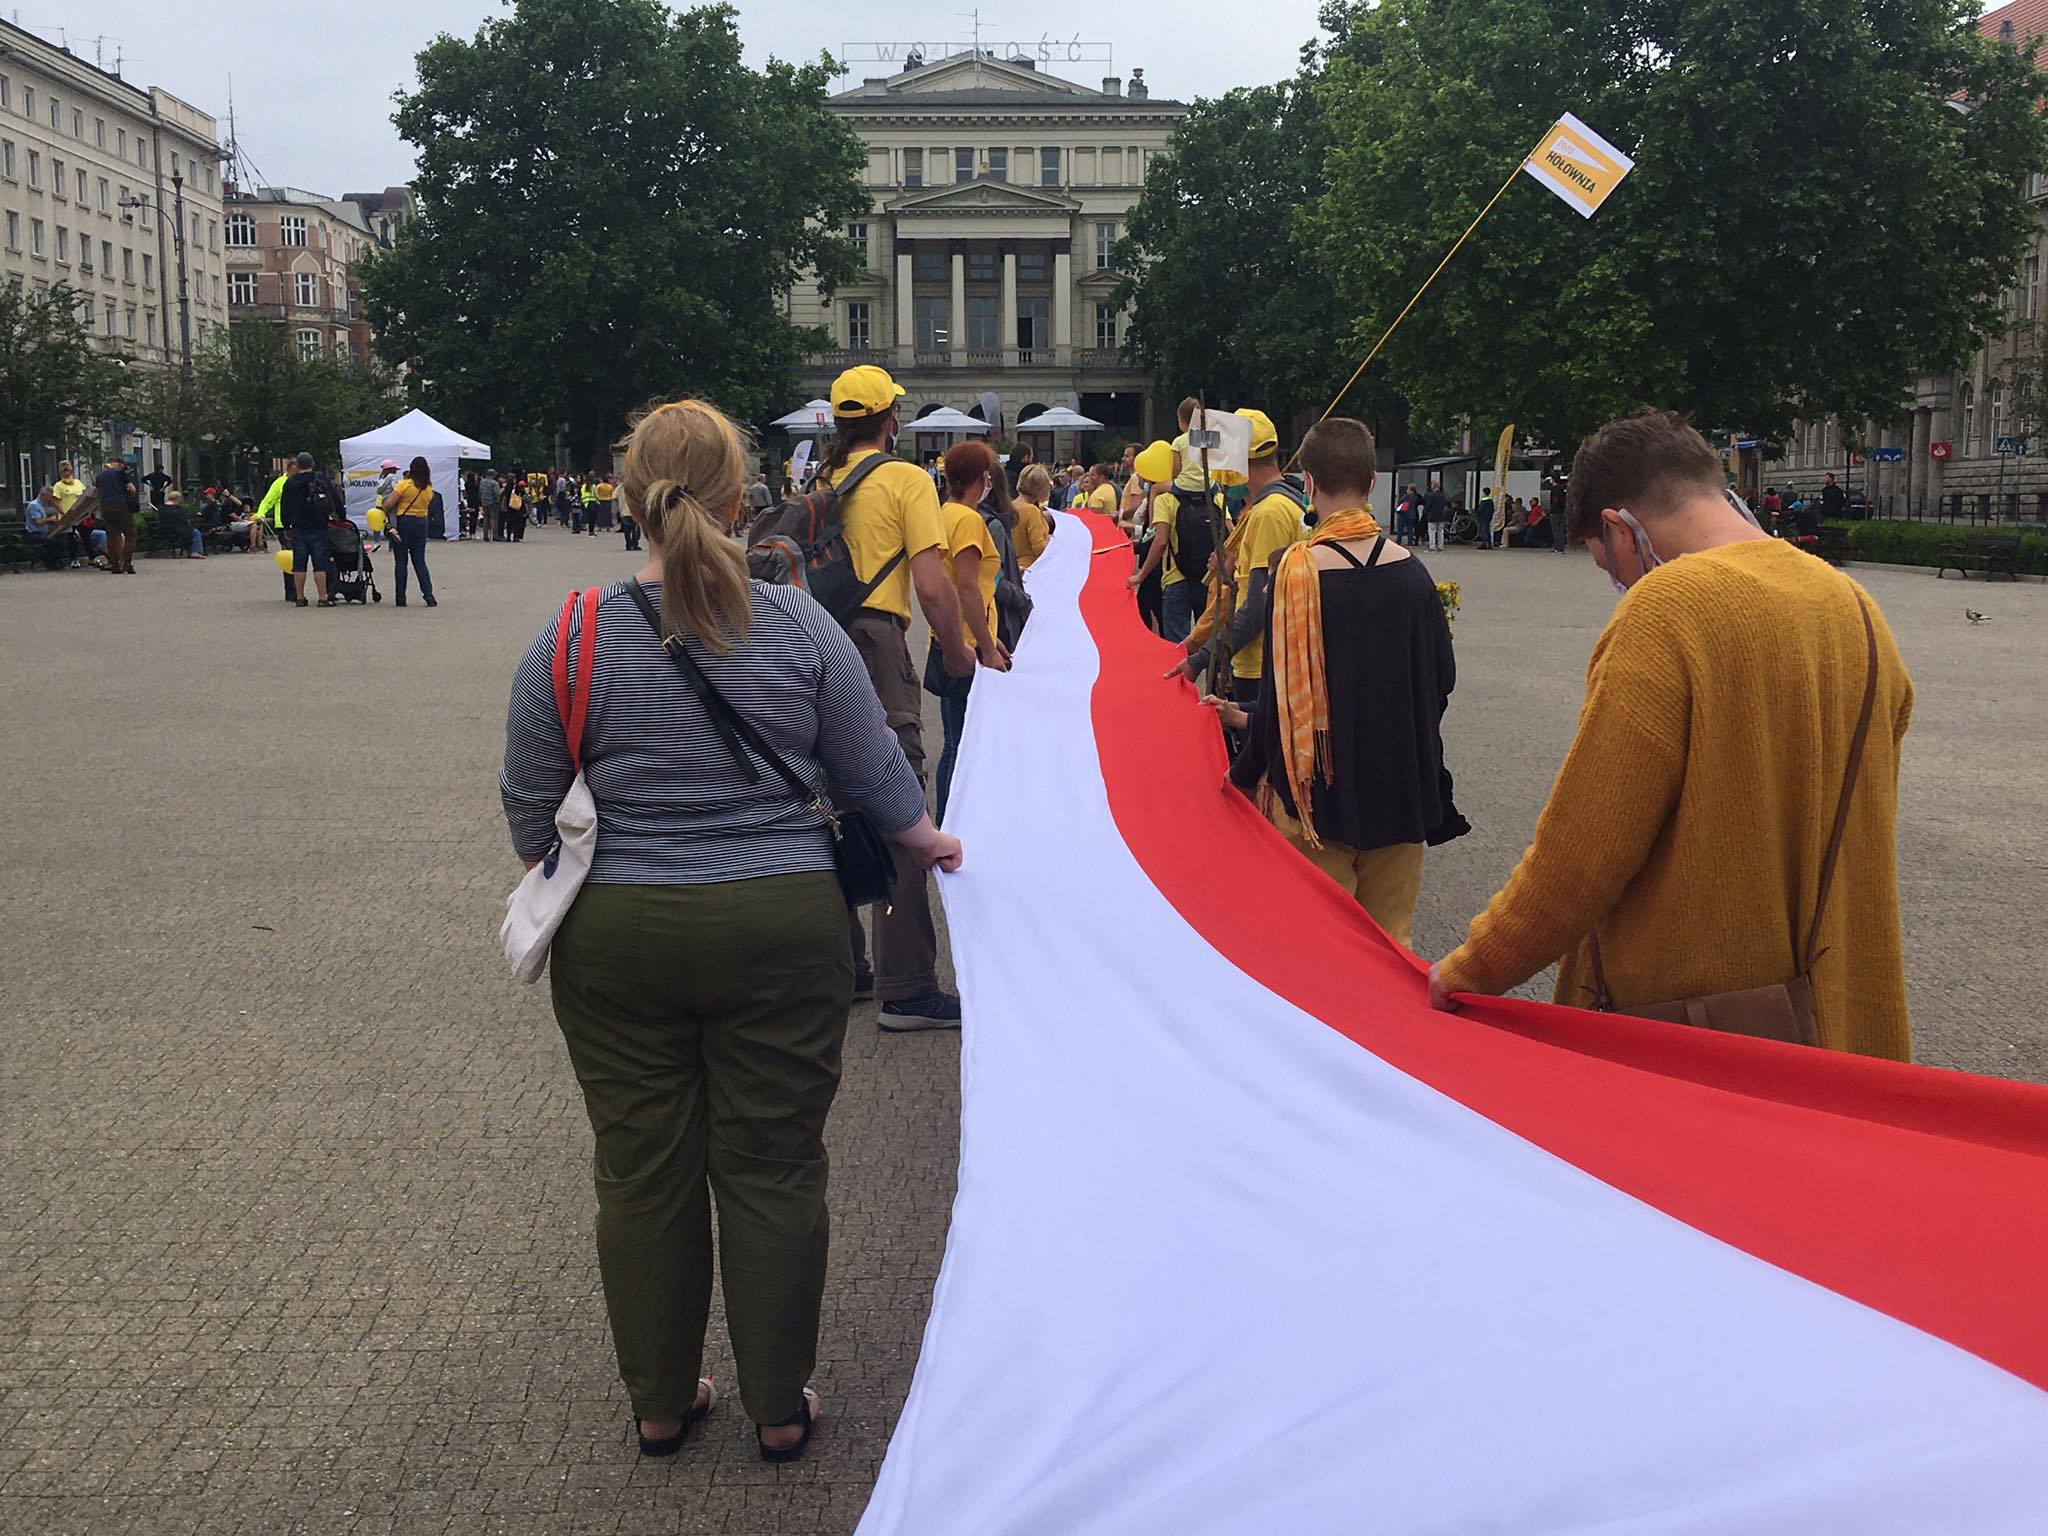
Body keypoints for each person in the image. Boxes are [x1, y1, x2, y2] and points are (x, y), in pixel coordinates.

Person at [501, 396, 962, 1466]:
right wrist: (928, 838)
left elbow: (529, 810)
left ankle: (661, 1403)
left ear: (628, 500)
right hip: (782, 923)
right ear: (737, 497)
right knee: (774, 1163)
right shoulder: (798, 625)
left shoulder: (571, 633)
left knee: (640, 1168)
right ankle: (777, 1406)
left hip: (618, 934)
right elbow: (879, 779)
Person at [1429, 410, 1915, 1060]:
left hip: (1689, 1036)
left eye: (1609, 566)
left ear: (1618, 527)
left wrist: (1470, 968)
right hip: (1832, 1027)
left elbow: (1583, 854)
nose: (1621, 584)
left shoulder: (1667, 609)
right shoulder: (1854, 607)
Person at [1205, 418, 1465, 948]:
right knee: (1391, 948)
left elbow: (1284, 701)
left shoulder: (1296, 576)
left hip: (1317, 800)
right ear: (1372, 483)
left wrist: (1242, 771)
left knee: (1322, 951)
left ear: (1308, 481)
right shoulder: (1414, 576)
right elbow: (1441, 681)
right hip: (1399, 793)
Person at [817, 364, 974, 1029]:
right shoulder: (906, 479)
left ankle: (845, 967)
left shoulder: (820, 483)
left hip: (812, 639)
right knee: (898, 795)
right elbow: (932, 585)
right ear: (890, 421)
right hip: (876, 643)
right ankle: (907, 985)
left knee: (827, 801)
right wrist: (959, 651)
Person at [1172, 409, 1307, 708]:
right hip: (1268, 660)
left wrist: (1202, 658)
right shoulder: (1281, 503)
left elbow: (1258, 606)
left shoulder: (1269, 513)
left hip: (1261, 665)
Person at [927, 441, 1011, 821]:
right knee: (963, 745)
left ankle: (949, 817)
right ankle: (956, 821)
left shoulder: (943, 513)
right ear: (982, 478)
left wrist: (991, 637)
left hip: (952, 636)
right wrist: (987, 649)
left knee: (954, 741)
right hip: (968, 644)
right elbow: (967, 587)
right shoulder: (969, 520)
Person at [1125, 440, 1203, 643]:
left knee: (1174, 639)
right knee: (1204, 638)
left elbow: (1157, 538)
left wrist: (1140, 575)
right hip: (1205, 575)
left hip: (1172, 575)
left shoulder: (1164, 499)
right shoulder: (1213, 497)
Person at [282, 451, 343, 608]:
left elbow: (284, 506)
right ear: (312, 464)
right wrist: (341, 516)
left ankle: (300, 597)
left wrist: (286, 525)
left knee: (299, 563)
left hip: (298, 527)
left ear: (297, 465)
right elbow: (335, 498)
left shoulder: (290, 483)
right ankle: (322, 597)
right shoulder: (320, 478)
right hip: (319, 525)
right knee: (320, 563)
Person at [381, 456, 439, 608]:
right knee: (419, 561)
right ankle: (429, 595)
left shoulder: (404, 485)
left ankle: (400, 598)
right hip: (422, 522)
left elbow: (388, 504)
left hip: (404, 522)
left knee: (401, 561)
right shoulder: (428, 488)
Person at [94, 456, 140, 575]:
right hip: (120, 506)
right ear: (119, 464)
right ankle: (126, 563)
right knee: (130, 534)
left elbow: (97, 493)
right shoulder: (121, 474)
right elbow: (132, 489)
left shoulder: (100, 476)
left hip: (106, 508)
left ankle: (114, 565)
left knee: (112, 536)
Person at [24, 486, 80, 569]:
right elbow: (38, 521)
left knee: (62, 539)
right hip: (34, 533)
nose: (50, 499)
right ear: (43, 495)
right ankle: (50, 563)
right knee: (52, 540)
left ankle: (56, 561)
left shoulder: (41, 505)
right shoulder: (34, 505)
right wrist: (50, 519)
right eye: (49, 497)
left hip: (42, 532)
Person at [1014, 464, 1053, 570]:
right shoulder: (1032, 511)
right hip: (1032, 567)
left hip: (1015, 567)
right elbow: (1039, 548)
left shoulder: (1011, 506)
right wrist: (1051, 541)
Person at [158, 489, 206, 559]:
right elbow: (183, 519)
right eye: (179, 498)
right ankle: (195, 552)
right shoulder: (177, 508)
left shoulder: (163, 508)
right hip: (175, 529)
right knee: (195, 532)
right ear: (176, 498)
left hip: (165, 528)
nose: (180, 500)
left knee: (190, 531)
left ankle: (191, 551)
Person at [1421, 480, 1449, 552]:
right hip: (1441, 515)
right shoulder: (1443, 495)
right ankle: (1440, 546)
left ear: (1433, 486)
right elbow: (1445, 504)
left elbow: (1428, 505)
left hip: (1432, 515)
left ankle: (1432, 547)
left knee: (1432, 531)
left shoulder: (1431, 495)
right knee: (1440, 531)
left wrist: (1425, 511)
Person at [479, 468, 503, 541]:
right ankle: (495, 535)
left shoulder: (482, 482)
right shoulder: (494, 483)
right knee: (494, 519)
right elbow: (497, 493)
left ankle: (485, 535)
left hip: (484, 502)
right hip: (493, 503)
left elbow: (480, 492)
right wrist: (502, 491)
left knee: (486, 518)